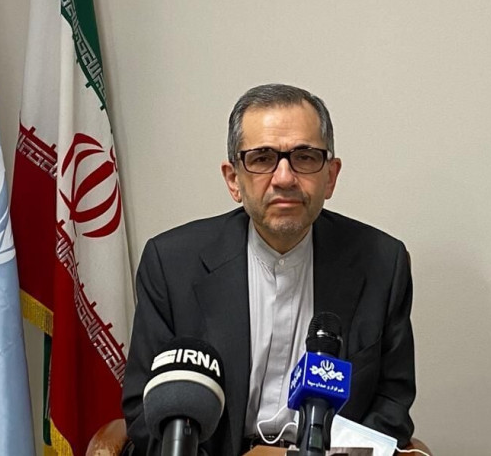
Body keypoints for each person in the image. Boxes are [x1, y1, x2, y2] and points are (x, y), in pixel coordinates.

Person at [122, 84, 416, 455]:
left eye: (305, 157)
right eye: (262, 158)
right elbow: (145, 409)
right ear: (233, 180)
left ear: (330, 176)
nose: (284, 178)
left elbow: (391, 405)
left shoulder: (382, 263)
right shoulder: (171, 263)